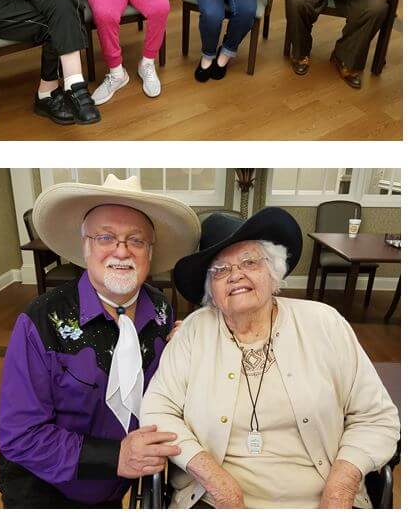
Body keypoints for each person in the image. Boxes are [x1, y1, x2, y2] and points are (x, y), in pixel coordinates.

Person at [141, 208, 400, 508]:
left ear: (274, 270)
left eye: (249, 262)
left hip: (327, 498)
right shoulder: (193, 334)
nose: (236, 274)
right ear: (210, 288)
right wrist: (217, 481)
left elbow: (377, 417)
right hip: (214, 499)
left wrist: (342, 485)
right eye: (220, 270)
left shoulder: (324, 323)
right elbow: (157, 412)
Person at [0, 175, 201, 507]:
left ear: (150, 252)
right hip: (45, 489)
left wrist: (185, 355)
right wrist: (114, 456)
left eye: (136, 240)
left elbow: (164, 393)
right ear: (85, 247)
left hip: (119, 488)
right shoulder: (41, 318)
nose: (122, 250)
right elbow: (20, 435)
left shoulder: (161, 310)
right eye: (106, 237)